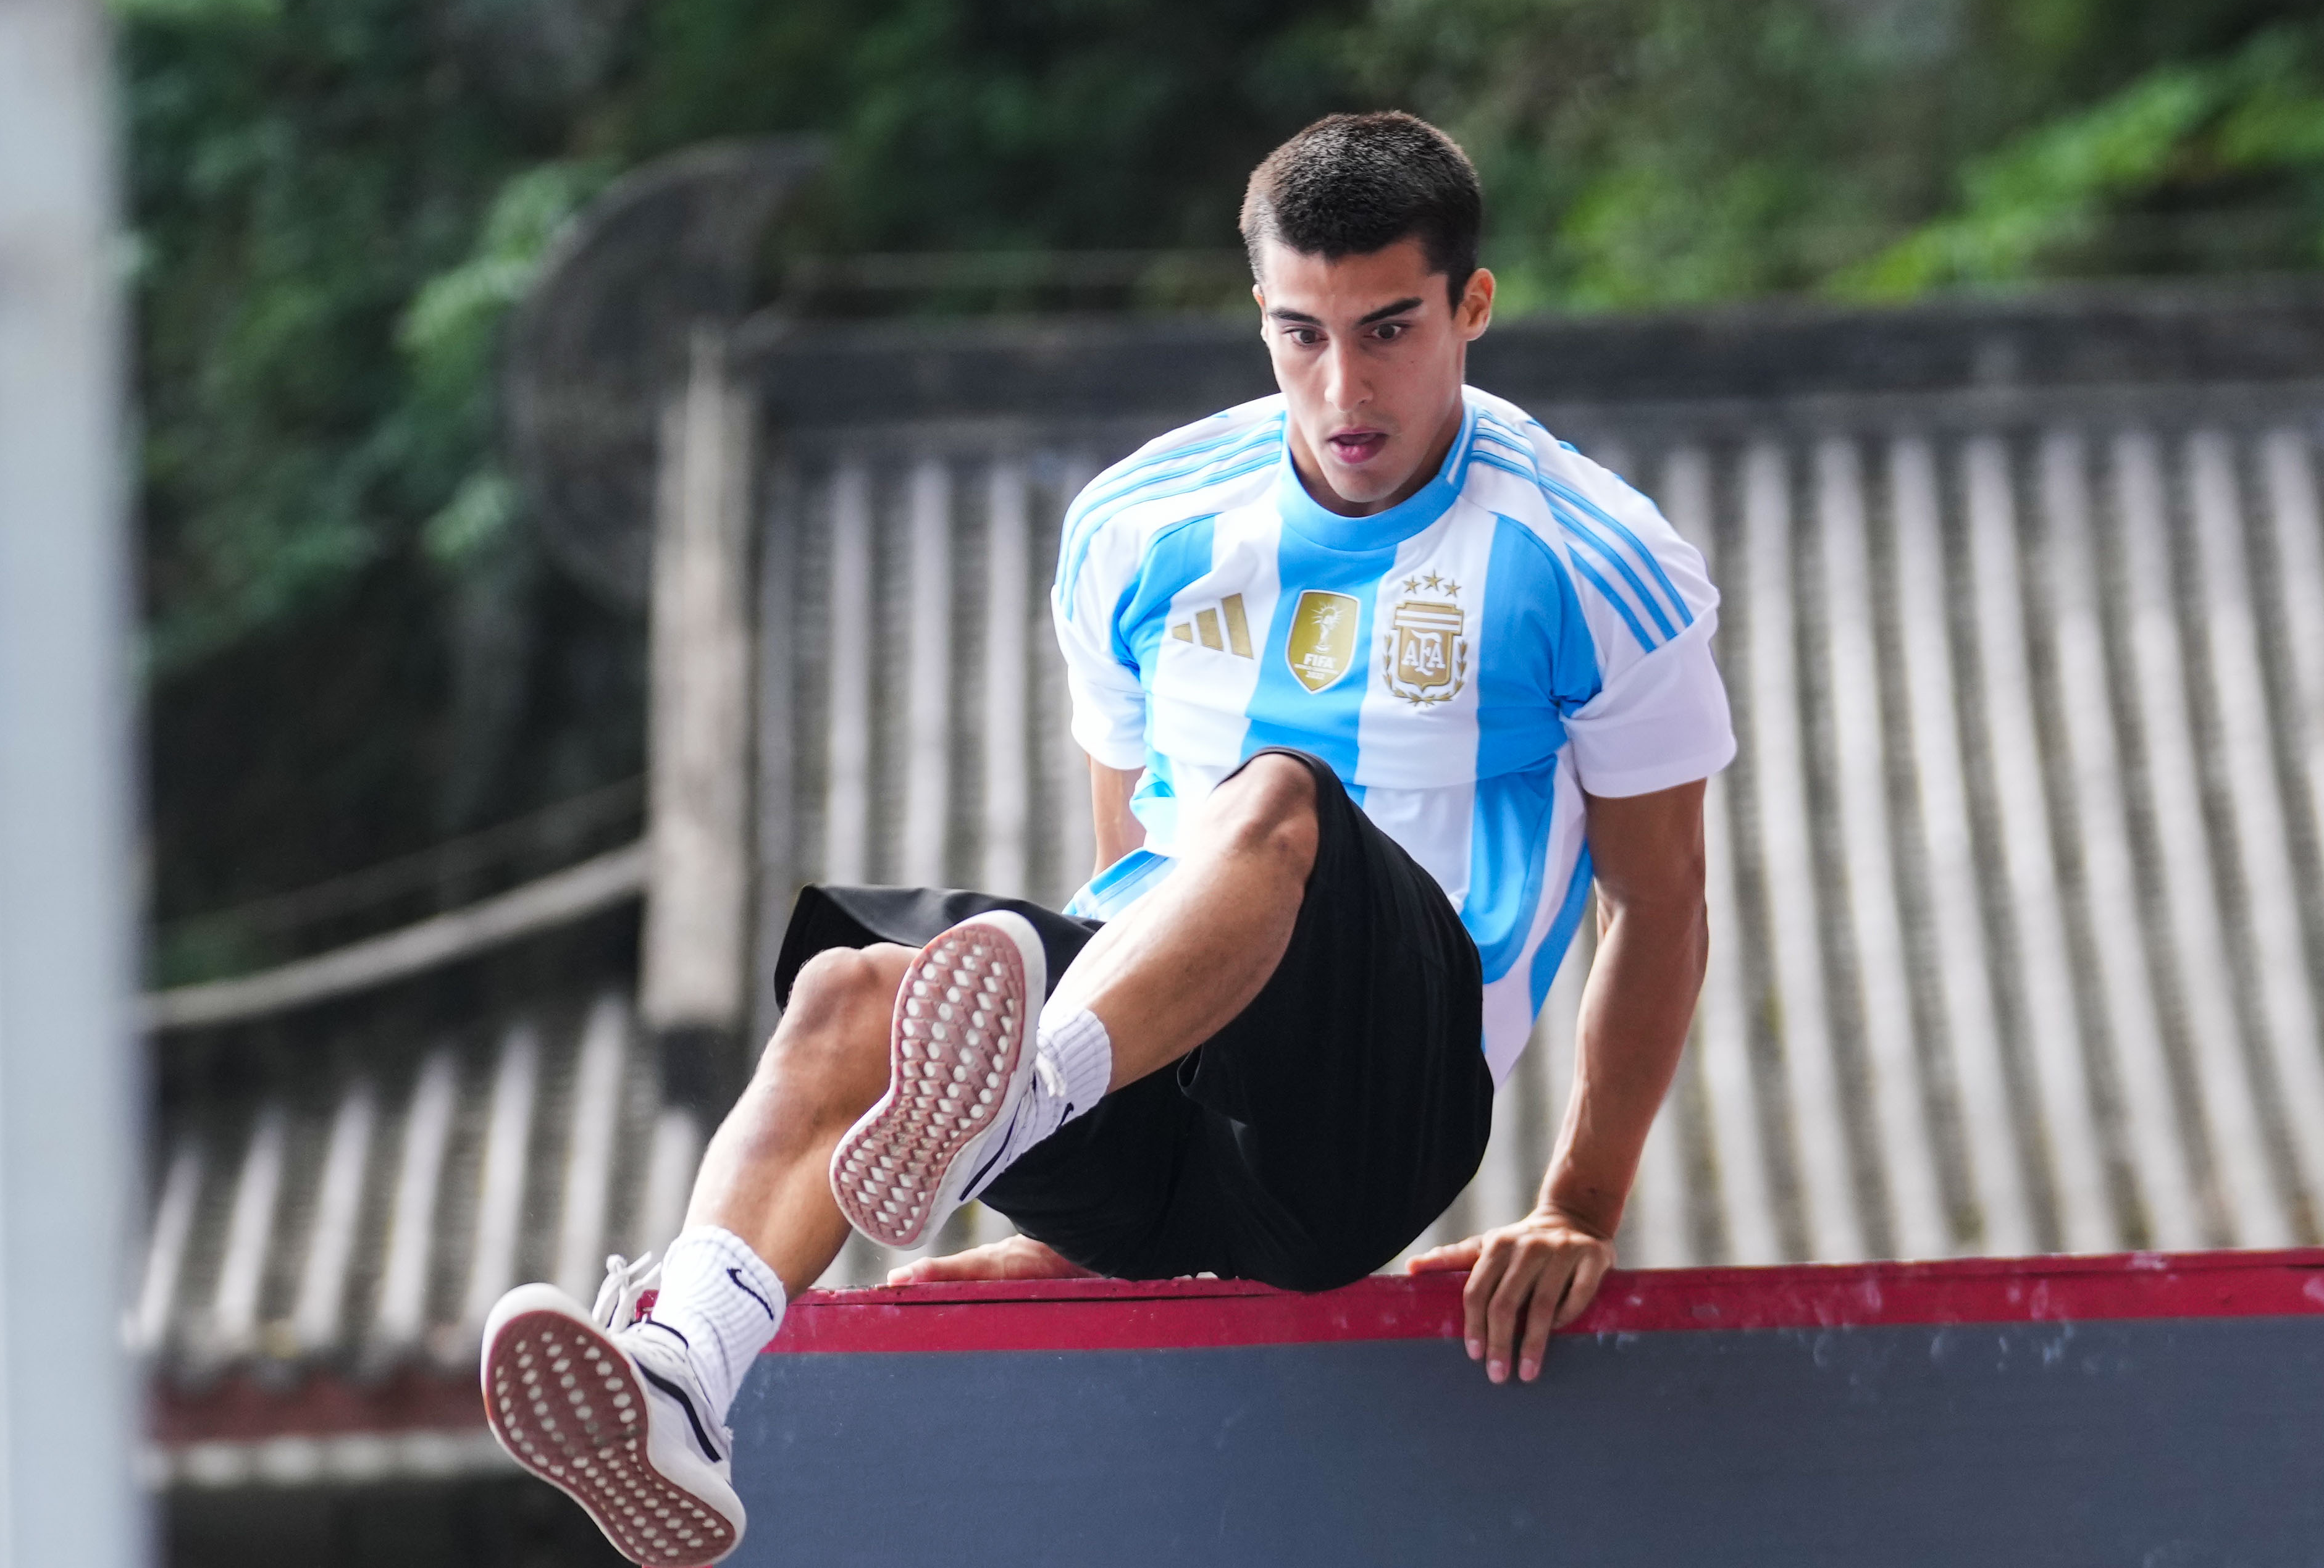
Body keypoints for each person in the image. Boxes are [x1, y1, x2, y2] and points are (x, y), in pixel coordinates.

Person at [480, 111, 1733, 1566]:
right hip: (1147, 1113)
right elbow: (1128, 867)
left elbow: (1659, 899)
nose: (1345, 387)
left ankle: (1018, 1102)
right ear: (1256, 315)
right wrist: (1092, 1212)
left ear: (1473, 305)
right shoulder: (1136, 529)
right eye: (1301, 334)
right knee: (851, 995)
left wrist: (1580, 1203)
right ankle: (686, 1372)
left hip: (1373, 1123)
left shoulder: (1597, 562)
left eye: (1389, 329)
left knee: (1273, 802)